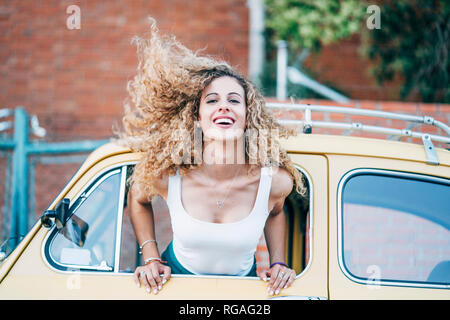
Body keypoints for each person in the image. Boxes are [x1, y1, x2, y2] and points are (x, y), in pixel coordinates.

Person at [119, 19, 307, 296]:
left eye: (233, 100)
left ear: (247, 116)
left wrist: (278, 262)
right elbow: (137, 198)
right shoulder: (169, 174)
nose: (224, 107)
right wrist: (151, 258)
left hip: (240, 294)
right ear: (196, 116)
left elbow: (276, 211)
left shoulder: (274, 183)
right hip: (172, 288)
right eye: (212, 101)